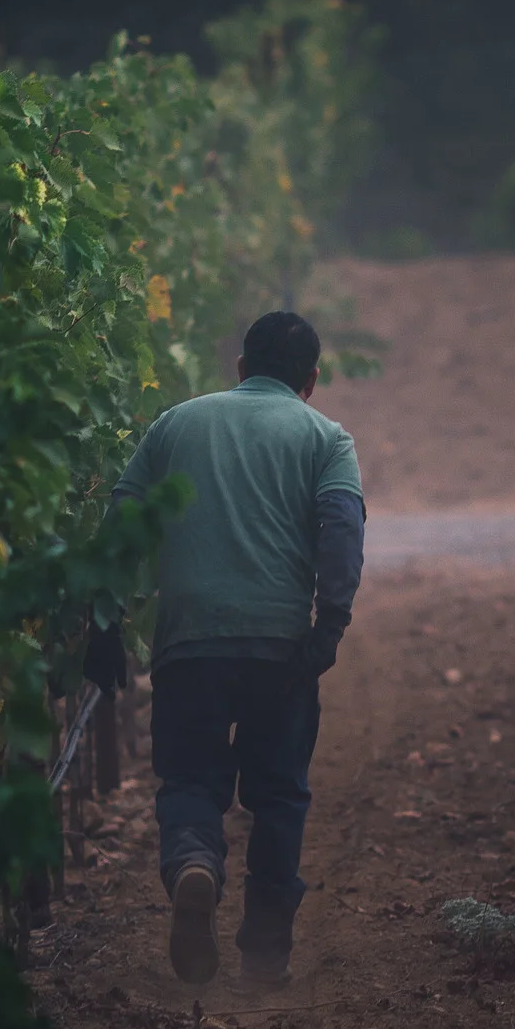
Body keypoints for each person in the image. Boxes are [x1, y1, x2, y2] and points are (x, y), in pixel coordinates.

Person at [108, 310, 364, 989]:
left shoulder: (175, 424)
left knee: (191, 778)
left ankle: (195, 860)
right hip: (281, 645)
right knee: (278, 794)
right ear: (310, 380)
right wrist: (329, 626)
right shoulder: (326, 438)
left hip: (188, 640)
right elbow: (341, 530)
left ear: (240, 368)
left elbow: (125, 512)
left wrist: (109, 616)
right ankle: (264, 953)